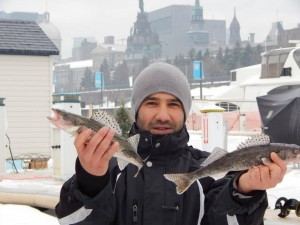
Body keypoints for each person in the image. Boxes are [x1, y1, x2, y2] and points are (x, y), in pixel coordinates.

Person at [55, 62, 287, 225]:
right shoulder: (110, 170)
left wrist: (244, 191)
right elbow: (71, 221)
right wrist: (91, 181)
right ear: (136, 110)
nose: (163, 115)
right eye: (152, 103)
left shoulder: (209, 170)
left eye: (174, 104)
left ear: (185, 112)